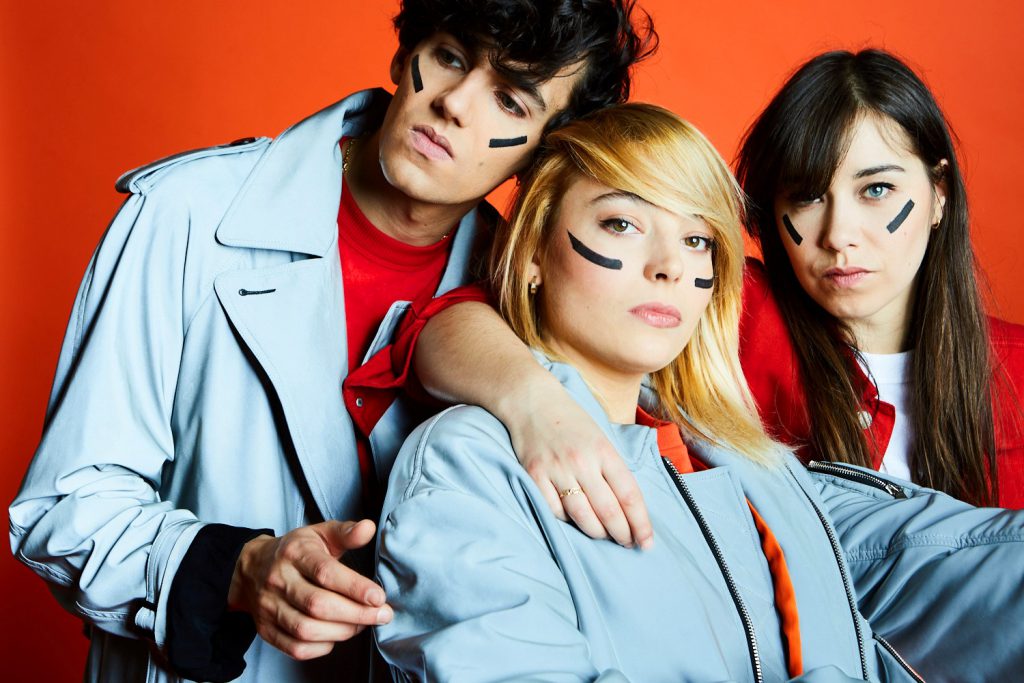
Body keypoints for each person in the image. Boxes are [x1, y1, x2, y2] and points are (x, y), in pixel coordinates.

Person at [7, 1, 655, 681]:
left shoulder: (527, 291)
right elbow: (63, 509)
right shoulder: (189, 212)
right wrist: (235, 569)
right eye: (450, 57)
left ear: (541, 152)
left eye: (510, 101)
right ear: (406, 55)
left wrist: (533, 397)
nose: (456, 104)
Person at [374, 103, 1024, 682]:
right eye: (622, 223)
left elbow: (941, 559)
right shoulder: (471, 462)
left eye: (696, 239)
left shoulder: (753, 464)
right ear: (534, 255)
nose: (670, 265)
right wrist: (532, 399)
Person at [734, 49, 1024, 507]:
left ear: (940, 194)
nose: (838, 235)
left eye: (876, 189)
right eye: (807, 197)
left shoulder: (1015, 370)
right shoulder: (734, 325)